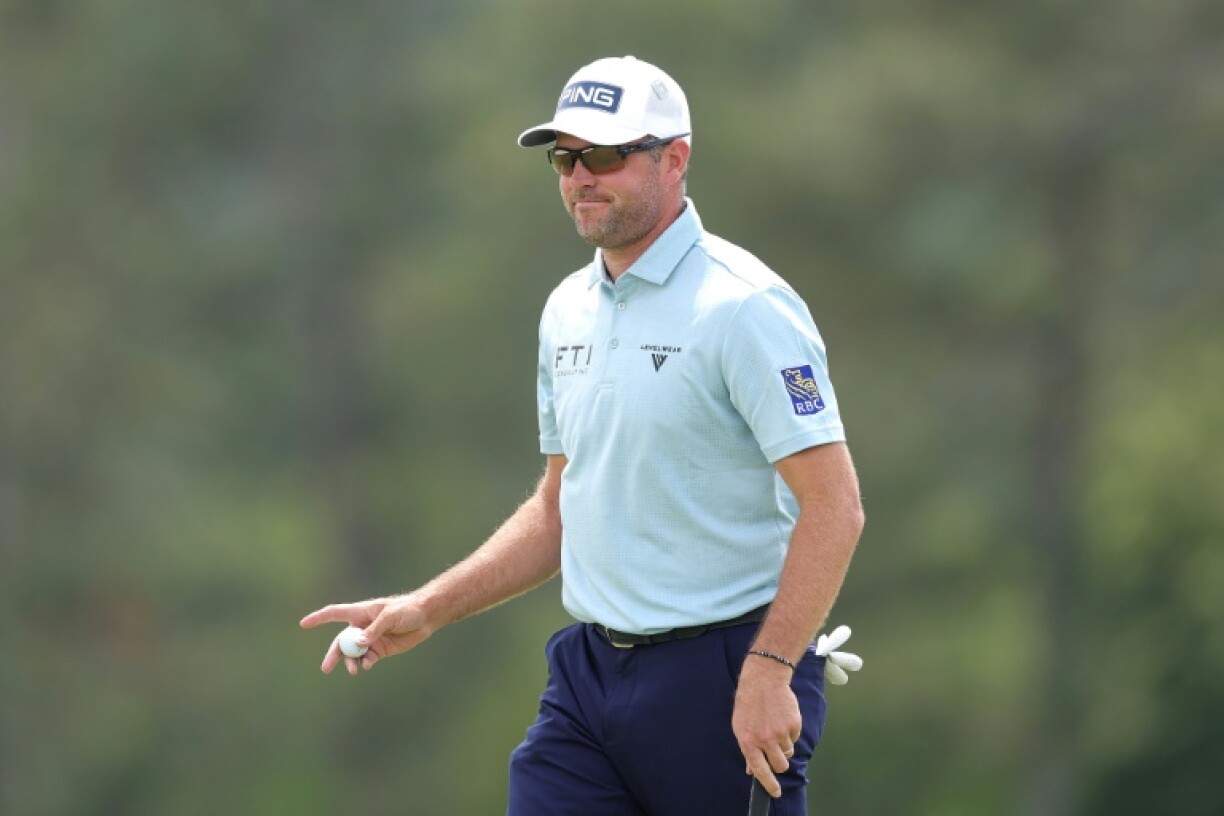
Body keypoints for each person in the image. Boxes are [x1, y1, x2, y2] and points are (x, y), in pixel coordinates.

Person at [300, 55, 864, 816]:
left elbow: (834, 507)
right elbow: (560, 508)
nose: (579, 177)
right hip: (589, 679)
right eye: (565, 159)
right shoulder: (567, 308)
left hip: (728, 670)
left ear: (675, 159)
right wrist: (427, 608)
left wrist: (769, 669)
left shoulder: (746, 306)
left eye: (605, 155)